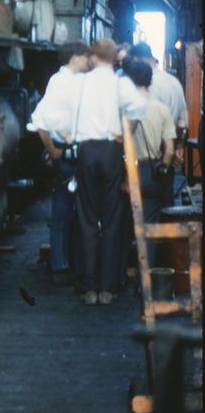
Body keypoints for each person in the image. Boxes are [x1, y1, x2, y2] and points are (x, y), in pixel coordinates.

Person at [69, 38, 146, 306]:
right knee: (113, 220)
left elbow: (62, 117)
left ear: (92, 57)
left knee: (87, 220)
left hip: (87, 151)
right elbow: (139, 109)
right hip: (112, 152)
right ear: (114, 59)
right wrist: (126, 133)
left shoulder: (80, 83)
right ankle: (108, 289)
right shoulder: (120, 83)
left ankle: (89, 289)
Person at [30, 42, 90, 285]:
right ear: (75, 58)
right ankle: (60, 266)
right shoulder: (60, 82)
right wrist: (53, 151)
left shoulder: (76, 81)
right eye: (85, 57)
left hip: (76, 153)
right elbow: (39, 120)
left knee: (74, 212)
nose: (88, 61)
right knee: (64, 211)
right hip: (65, 156)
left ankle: (71, 263)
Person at [121, 59, 176, 276]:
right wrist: (163, 166)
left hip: (129, 171)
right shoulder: (161, 109)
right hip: (152, 171)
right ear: (150, 81)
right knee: (149, 225)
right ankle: (149, 276)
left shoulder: (125, 110)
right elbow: (170, 150)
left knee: (125, 223)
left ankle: (124, 272)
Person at [128, 42, 188, 205]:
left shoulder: (149, 84)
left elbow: (148, 123)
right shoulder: (173, 82)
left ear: (138, 59)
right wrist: (179, 147)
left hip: (151, 156)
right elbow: (183, 118)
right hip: (169, 154)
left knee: (147, 207)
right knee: (165, 202)